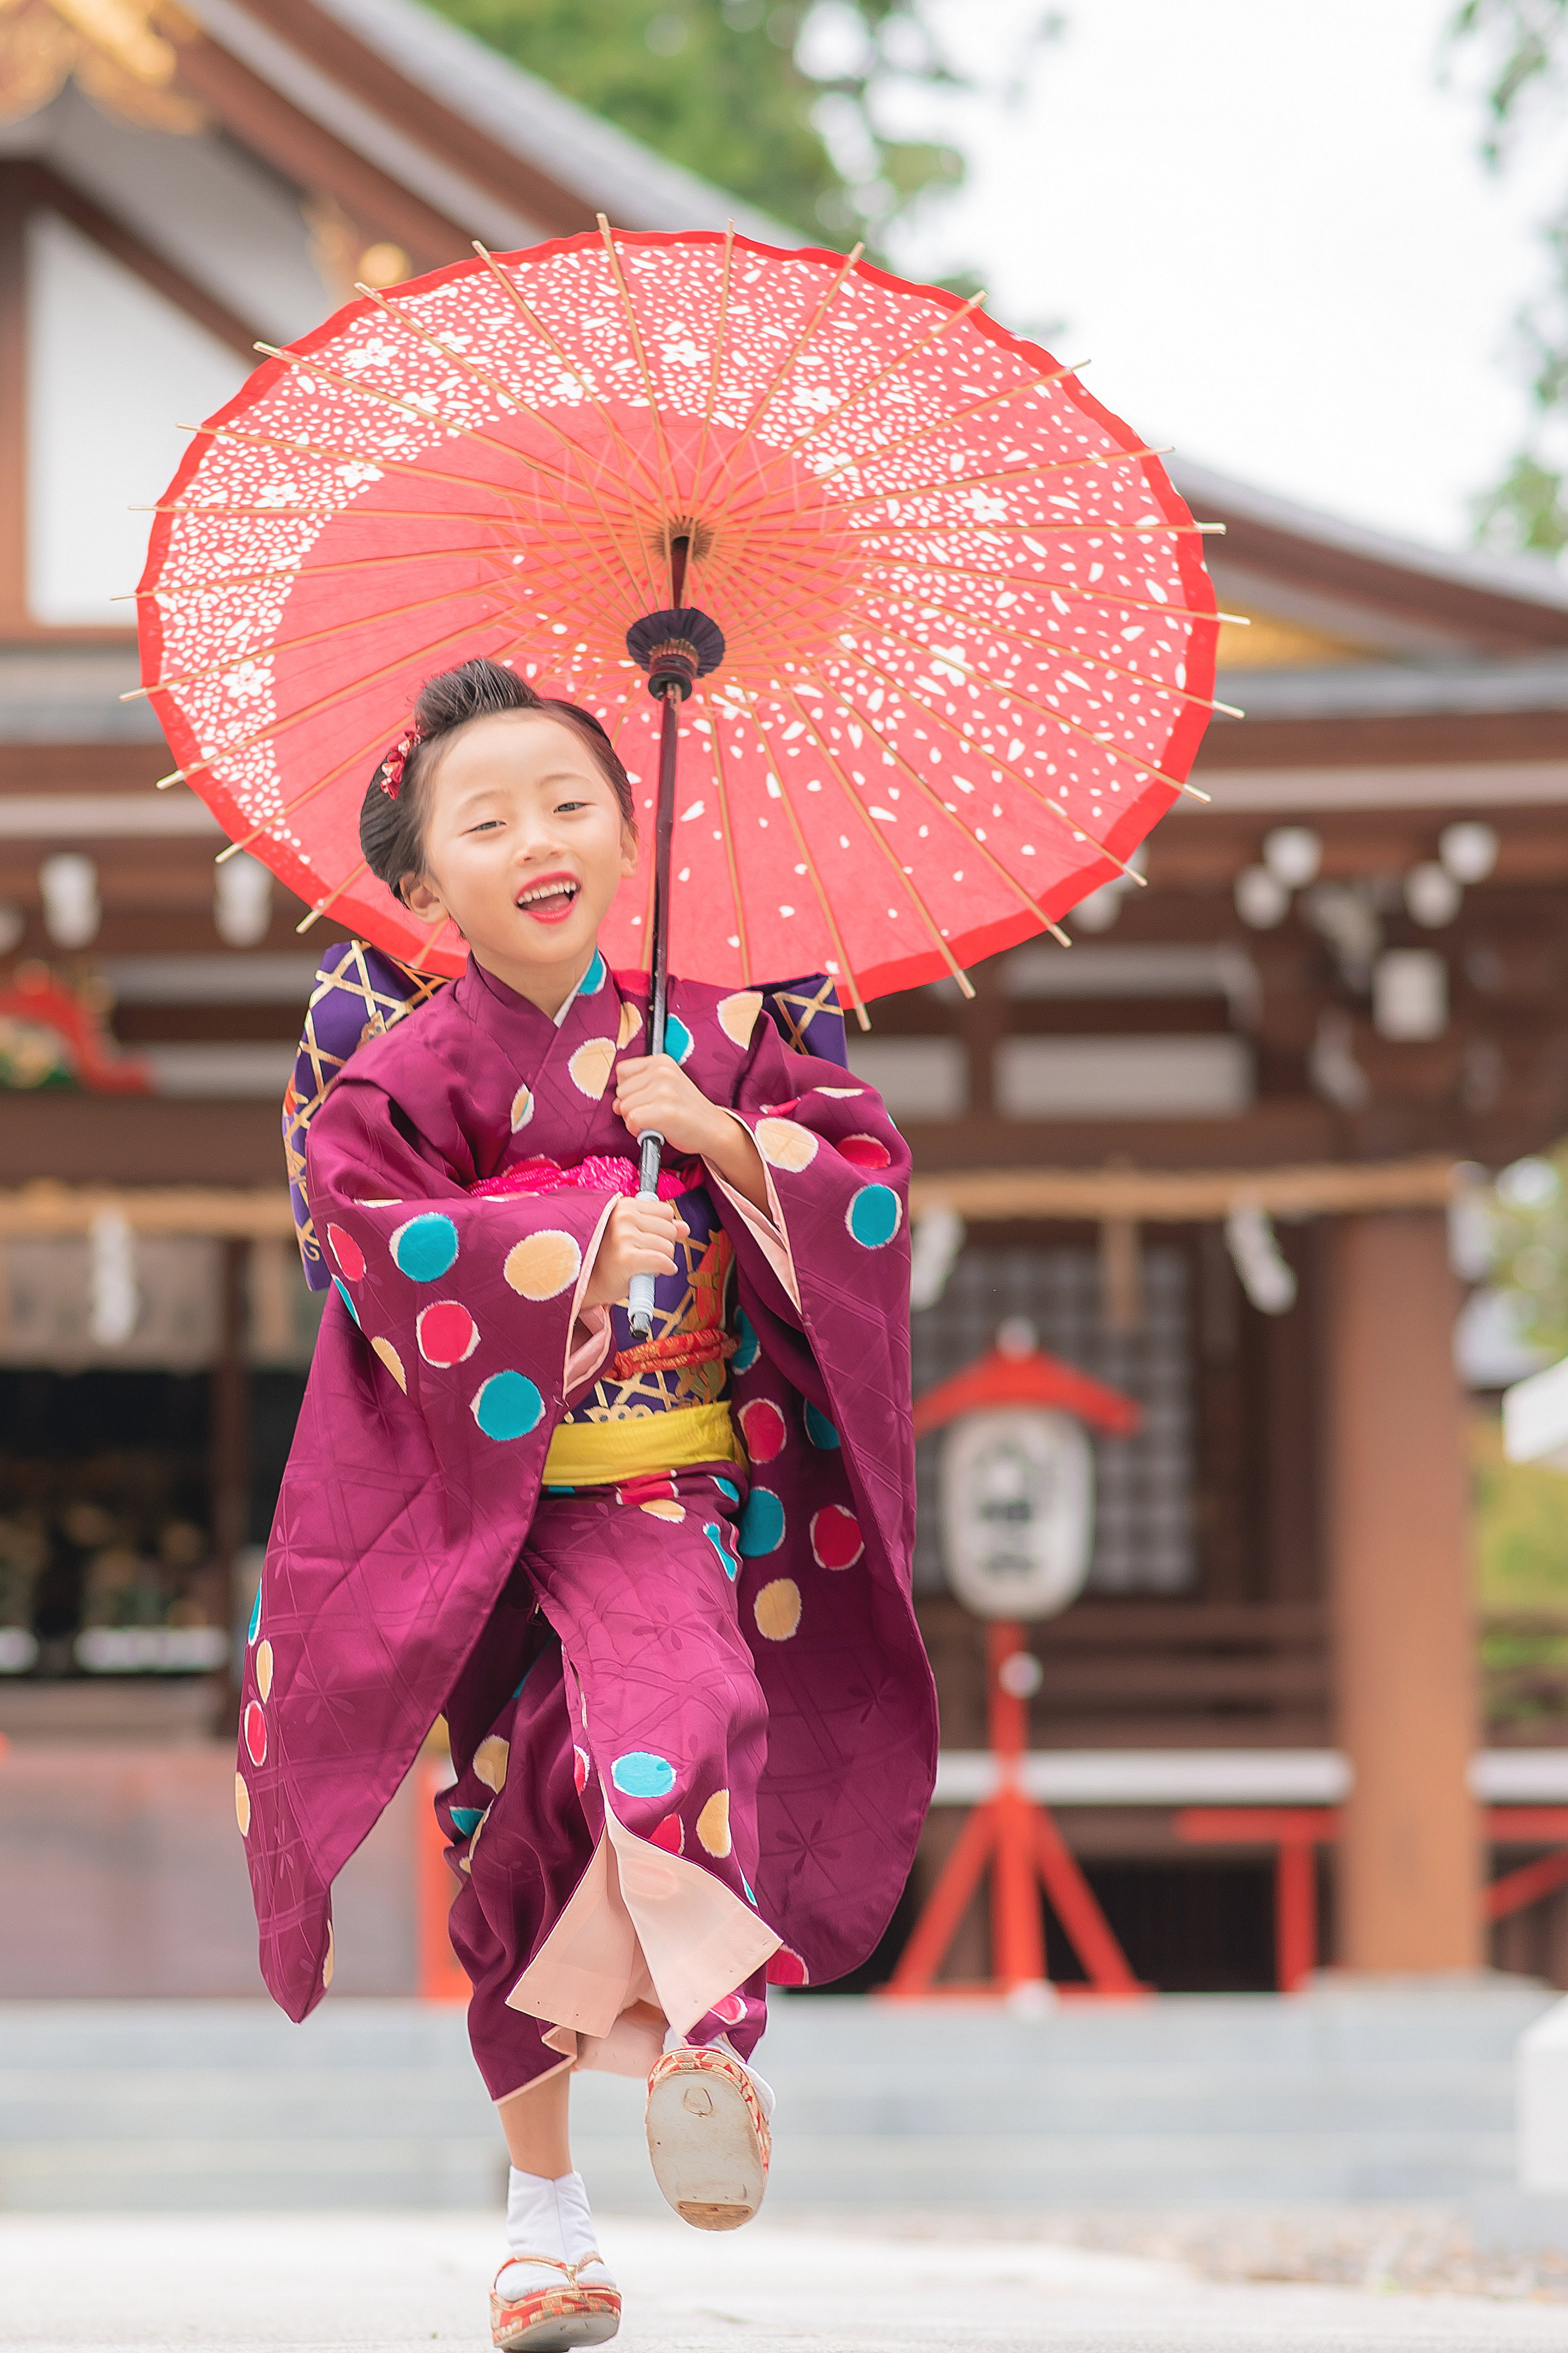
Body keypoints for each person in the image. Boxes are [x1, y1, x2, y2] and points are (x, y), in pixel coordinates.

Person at [247, 657, 936, 2351]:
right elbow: (363, 1229)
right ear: (422, 886)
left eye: (570, 802)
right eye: (483, 822)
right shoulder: (403, 1068)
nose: (537, 839)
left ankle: (704, 2030)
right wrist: (559, 1252)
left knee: (682, 1703)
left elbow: (867, 1206)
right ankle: (545, 2222)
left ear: (634, 833)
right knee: (505, 1832)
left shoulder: (725, 1034)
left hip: (670, 1482)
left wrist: (716, 1134)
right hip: (486, 1508)